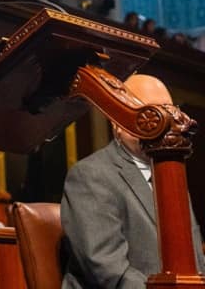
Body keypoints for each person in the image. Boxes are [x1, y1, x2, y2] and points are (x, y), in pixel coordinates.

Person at [61, 74, 205, 288]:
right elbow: (109, 271)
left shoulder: (171, 174)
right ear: (118, 121)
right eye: (152, 113)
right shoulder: (91, 175)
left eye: (169, 111)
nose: (166, 123)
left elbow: (195, 262)